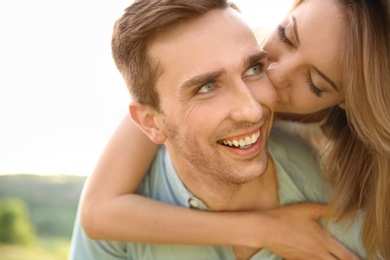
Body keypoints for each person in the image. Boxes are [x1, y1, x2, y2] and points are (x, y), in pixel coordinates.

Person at [79, 0, 390, 259]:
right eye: (285, 36)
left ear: (349, 101)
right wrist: (265, 228)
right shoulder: (215, 48)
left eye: (315, 84)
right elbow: (98, 212)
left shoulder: (347, 205)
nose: (273, 74)